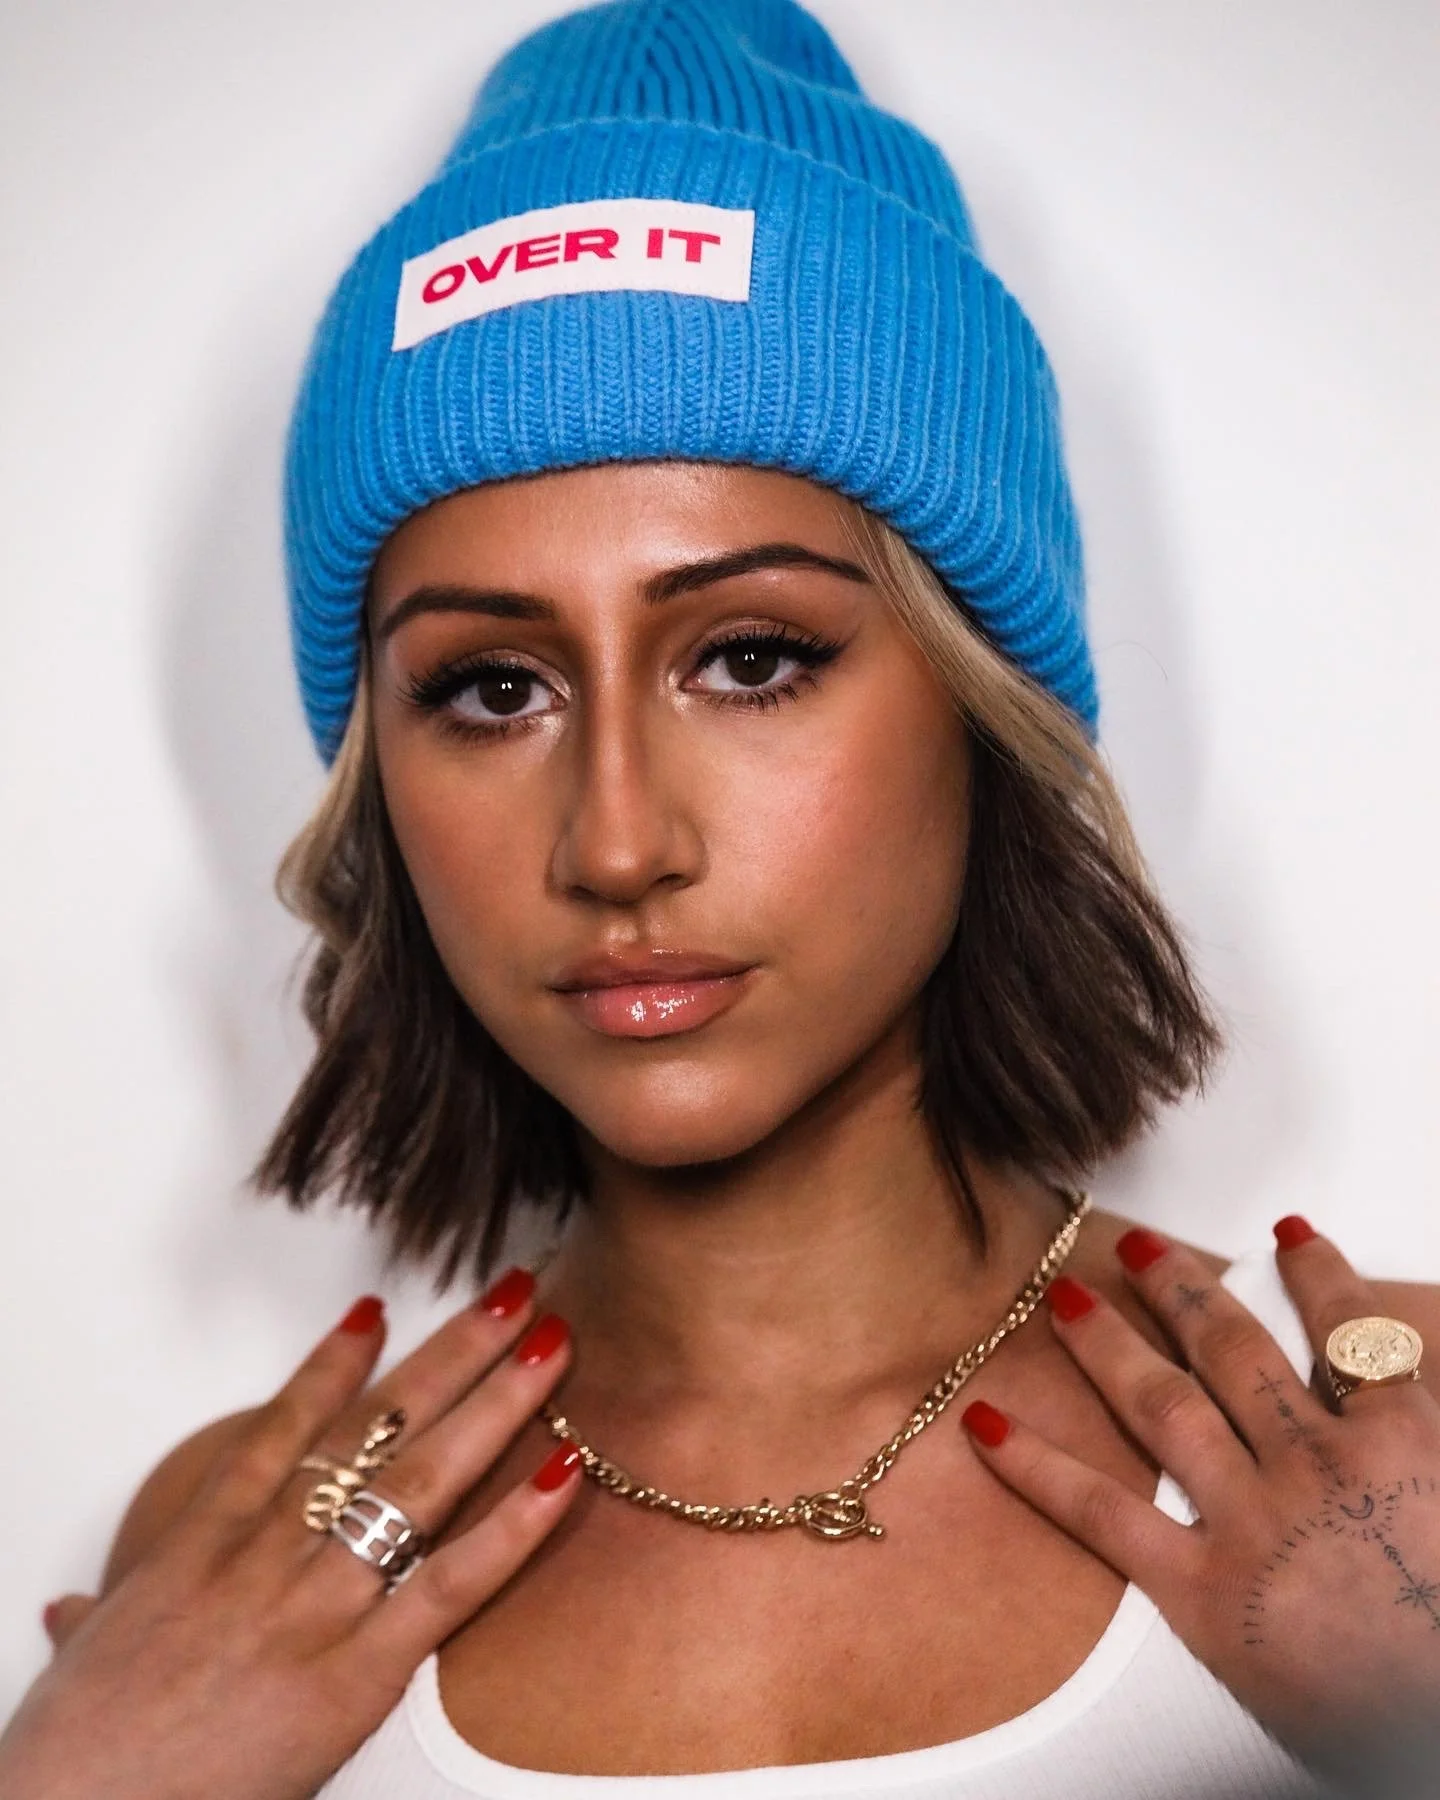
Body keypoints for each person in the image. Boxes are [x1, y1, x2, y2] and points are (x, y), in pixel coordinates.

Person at [2, 3, 1437, 1796]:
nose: (615, 844)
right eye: (490, 689)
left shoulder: (1387, 1451)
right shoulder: (233, 1564)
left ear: (981, 706)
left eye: (751, 658)